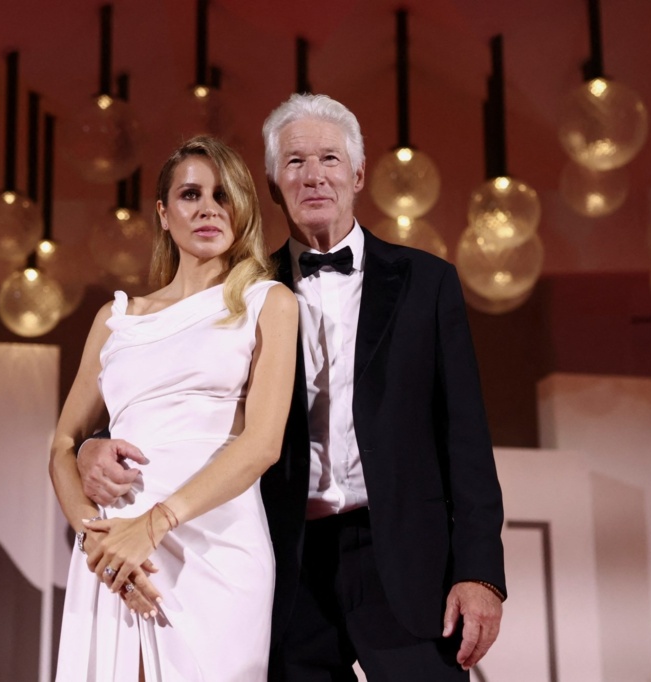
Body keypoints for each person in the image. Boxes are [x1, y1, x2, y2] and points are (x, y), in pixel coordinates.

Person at [78, 93, 506, 681]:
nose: (314, 176)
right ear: (273, 186)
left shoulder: (426, 283)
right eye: (295, 162)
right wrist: (92, 443)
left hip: (406, 558)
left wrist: (480, 573)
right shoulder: (239, 293)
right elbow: (171, 389)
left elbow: (466, 437)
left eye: (330, 159)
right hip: (285, 561)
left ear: (358, 174)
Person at [50, 135, 298, 680]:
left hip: (216, 541)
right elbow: (63, 445)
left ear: (243, 208)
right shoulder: (116, 319)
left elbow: (263, 444)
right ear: (163, 213)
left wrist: (156, 523)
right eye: (191, 194)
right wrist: (97, 544)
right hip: (118, 548)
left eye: (223, 194)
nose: (209, 208)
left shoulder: (267, 301)